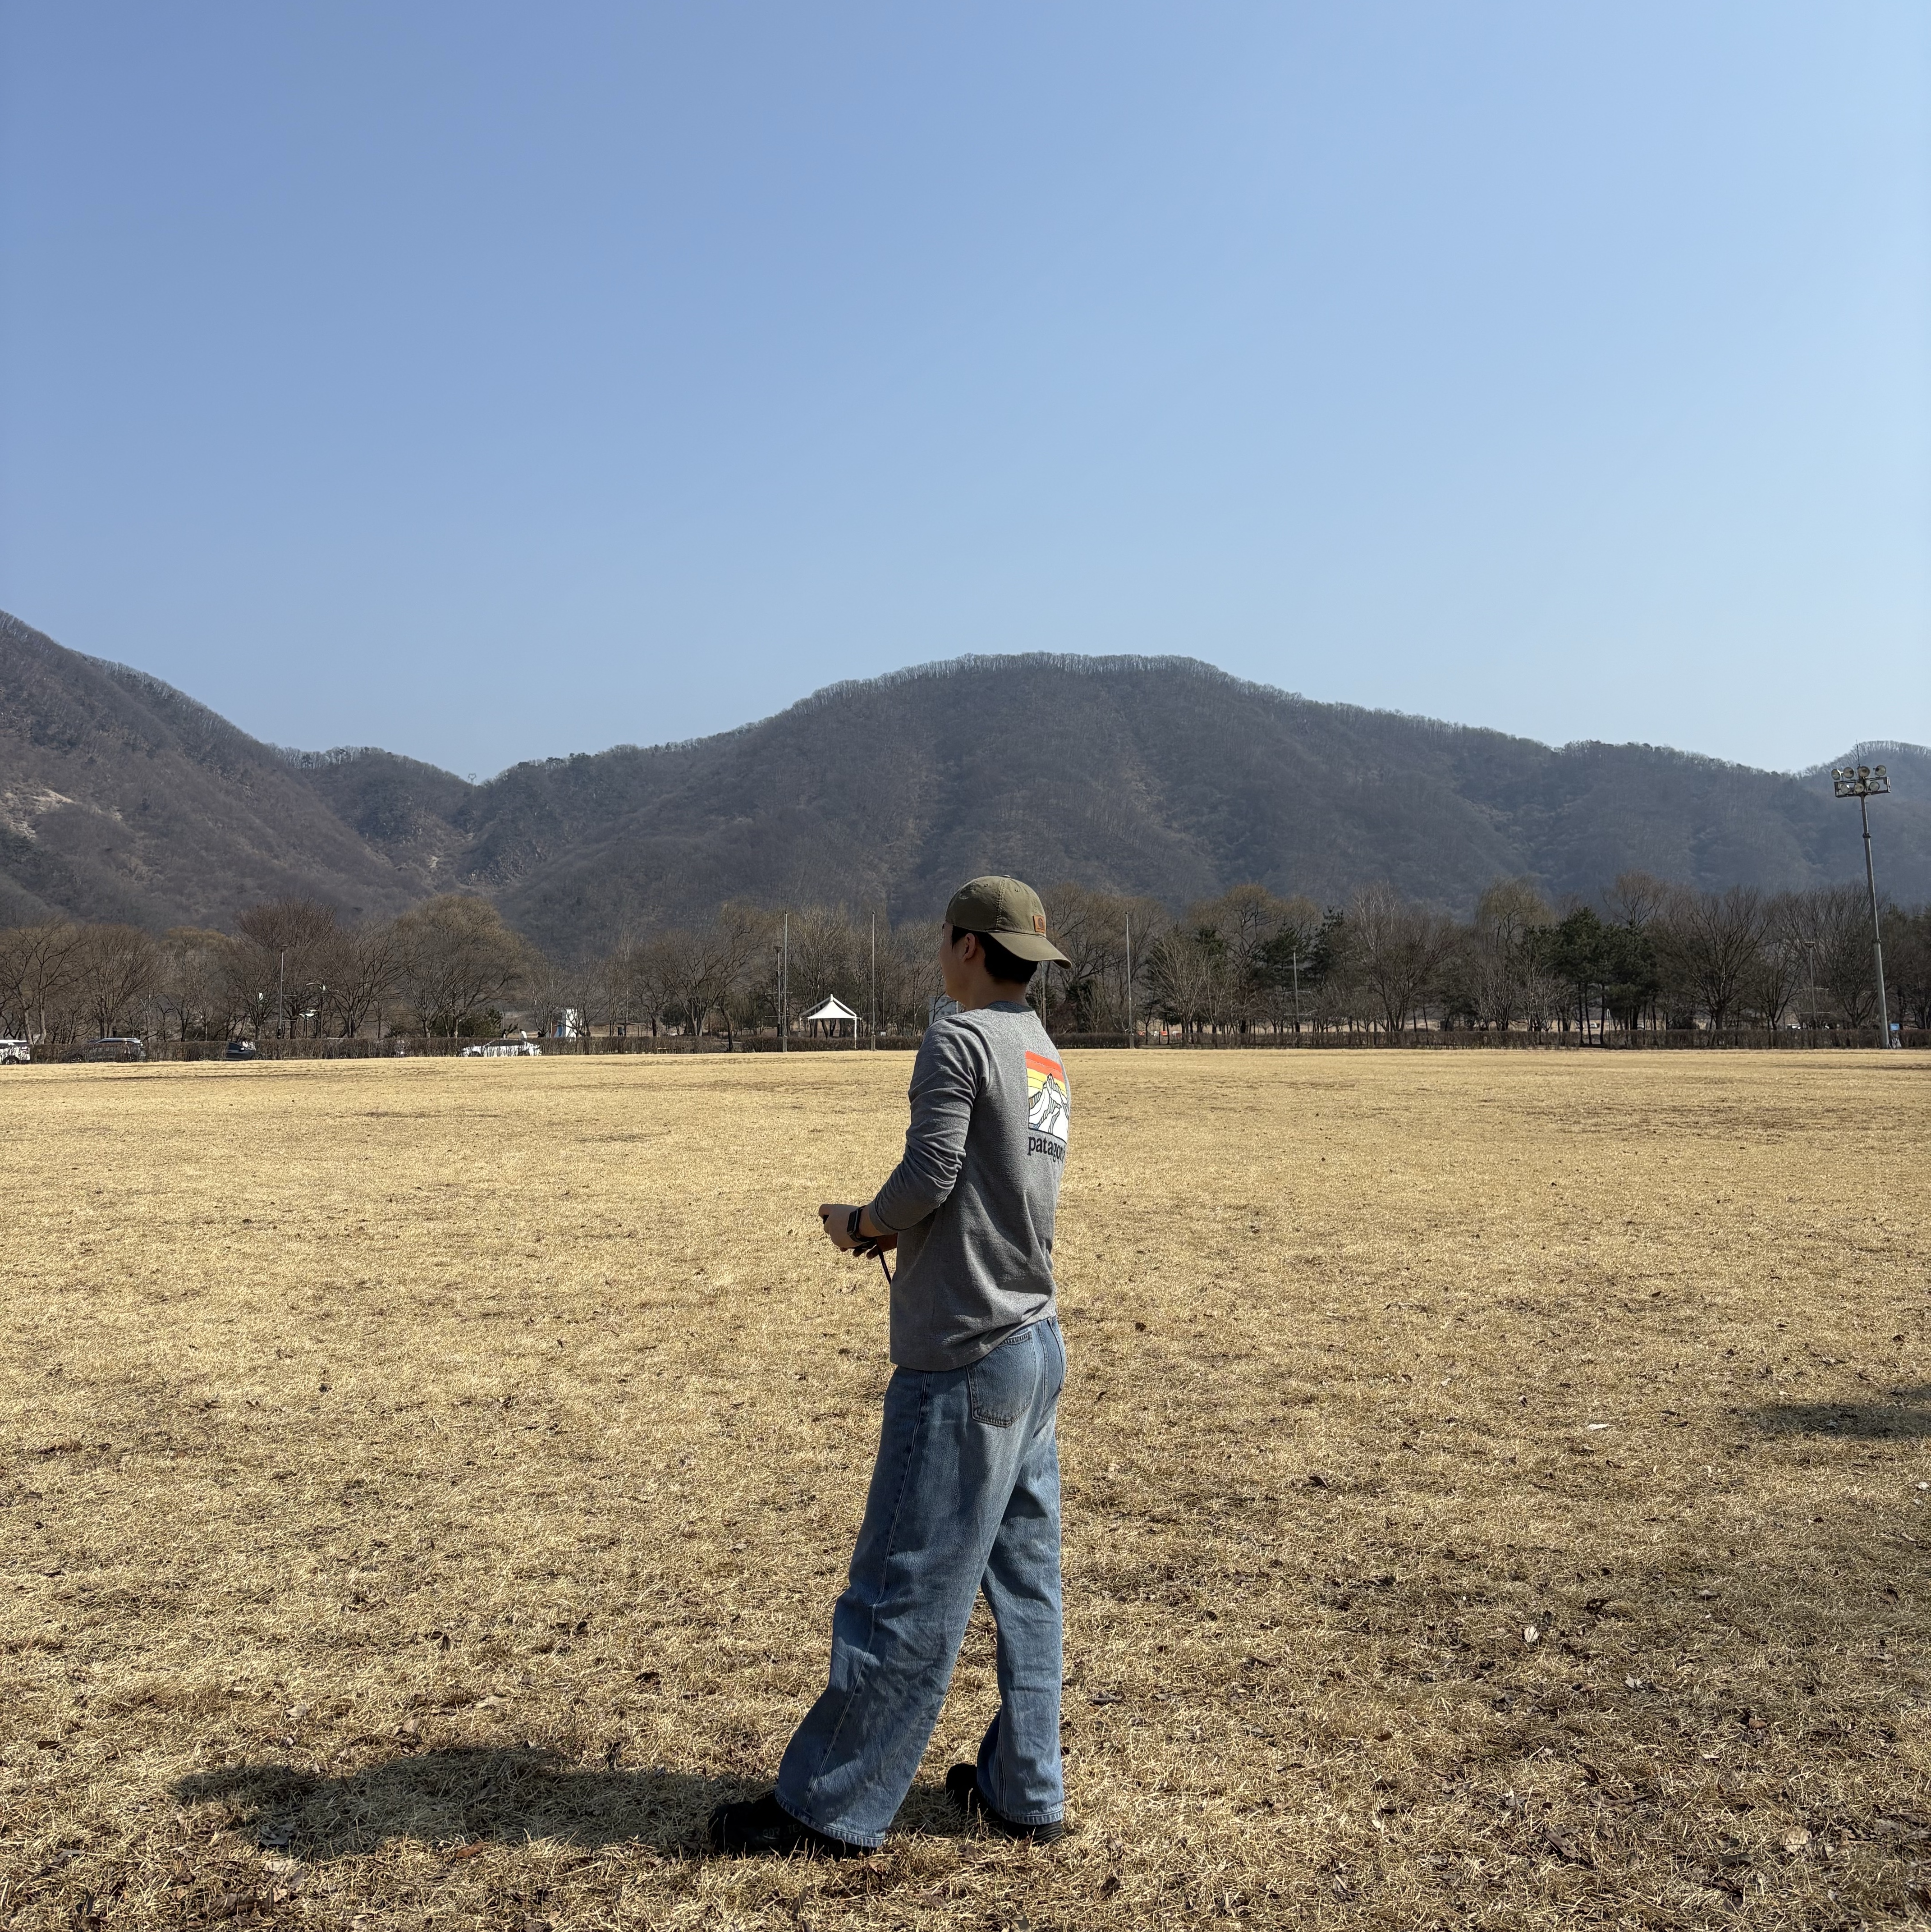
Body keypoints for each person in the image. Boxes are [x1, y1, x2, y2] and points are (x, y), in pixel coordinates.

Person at [709, 875, 1074, 1858]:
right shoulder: (1043, 1054)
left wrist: (861, 1224)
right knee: (1028, 1585)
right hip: (1036, 1342)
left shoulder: (957, 1039)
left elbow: (931, 1175)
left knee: (903, 1584)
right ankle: (1025, 1786)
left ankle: (830, 1805)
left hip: (962, 1353)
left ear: (962, 943)